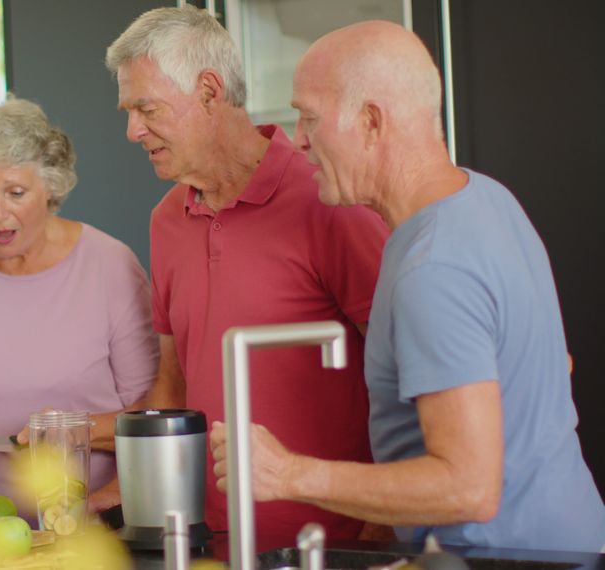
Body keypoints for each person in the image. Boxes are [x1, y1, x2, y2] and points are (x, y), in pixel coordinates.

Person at [212, 20, 605, 552]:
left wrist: (287, 475)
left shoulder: (433, 267)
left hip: (511, 556)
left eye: (309, 117)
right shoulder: (485, 199)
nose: (298, 139)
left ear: (371, 122)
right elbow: (551, 365)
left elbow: (467, 489)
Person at [104, 6, 390, 545]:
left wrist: (382, 522)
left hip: (332, 540)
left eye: (145, 108)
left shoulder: (328, 198)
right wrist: (137, 492)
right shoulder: (166, 219)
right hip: (208, 536)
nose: (131, 130)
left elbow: (402, 368)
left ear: (209, 91)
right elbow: (174, 379)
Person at [0, 98, 158, 515]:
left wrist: (72, 430)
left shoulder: (110, 266)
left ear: (50, 186)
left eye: (16, 193)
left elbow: (151, 413)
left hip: (95, 522)